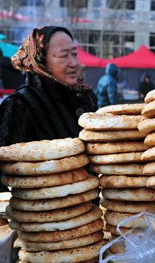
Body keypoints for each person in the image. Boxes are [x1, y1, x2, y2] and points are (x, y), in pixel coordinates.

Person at [0, 26, 98, 190]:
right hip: (42, 209)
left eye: (74, 54)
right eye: (63, 55)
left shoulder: (86, 98)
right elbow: (4, 172)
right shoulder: (21, 104)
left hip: (89, 207)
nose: (73, 63)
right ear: (41, 62)